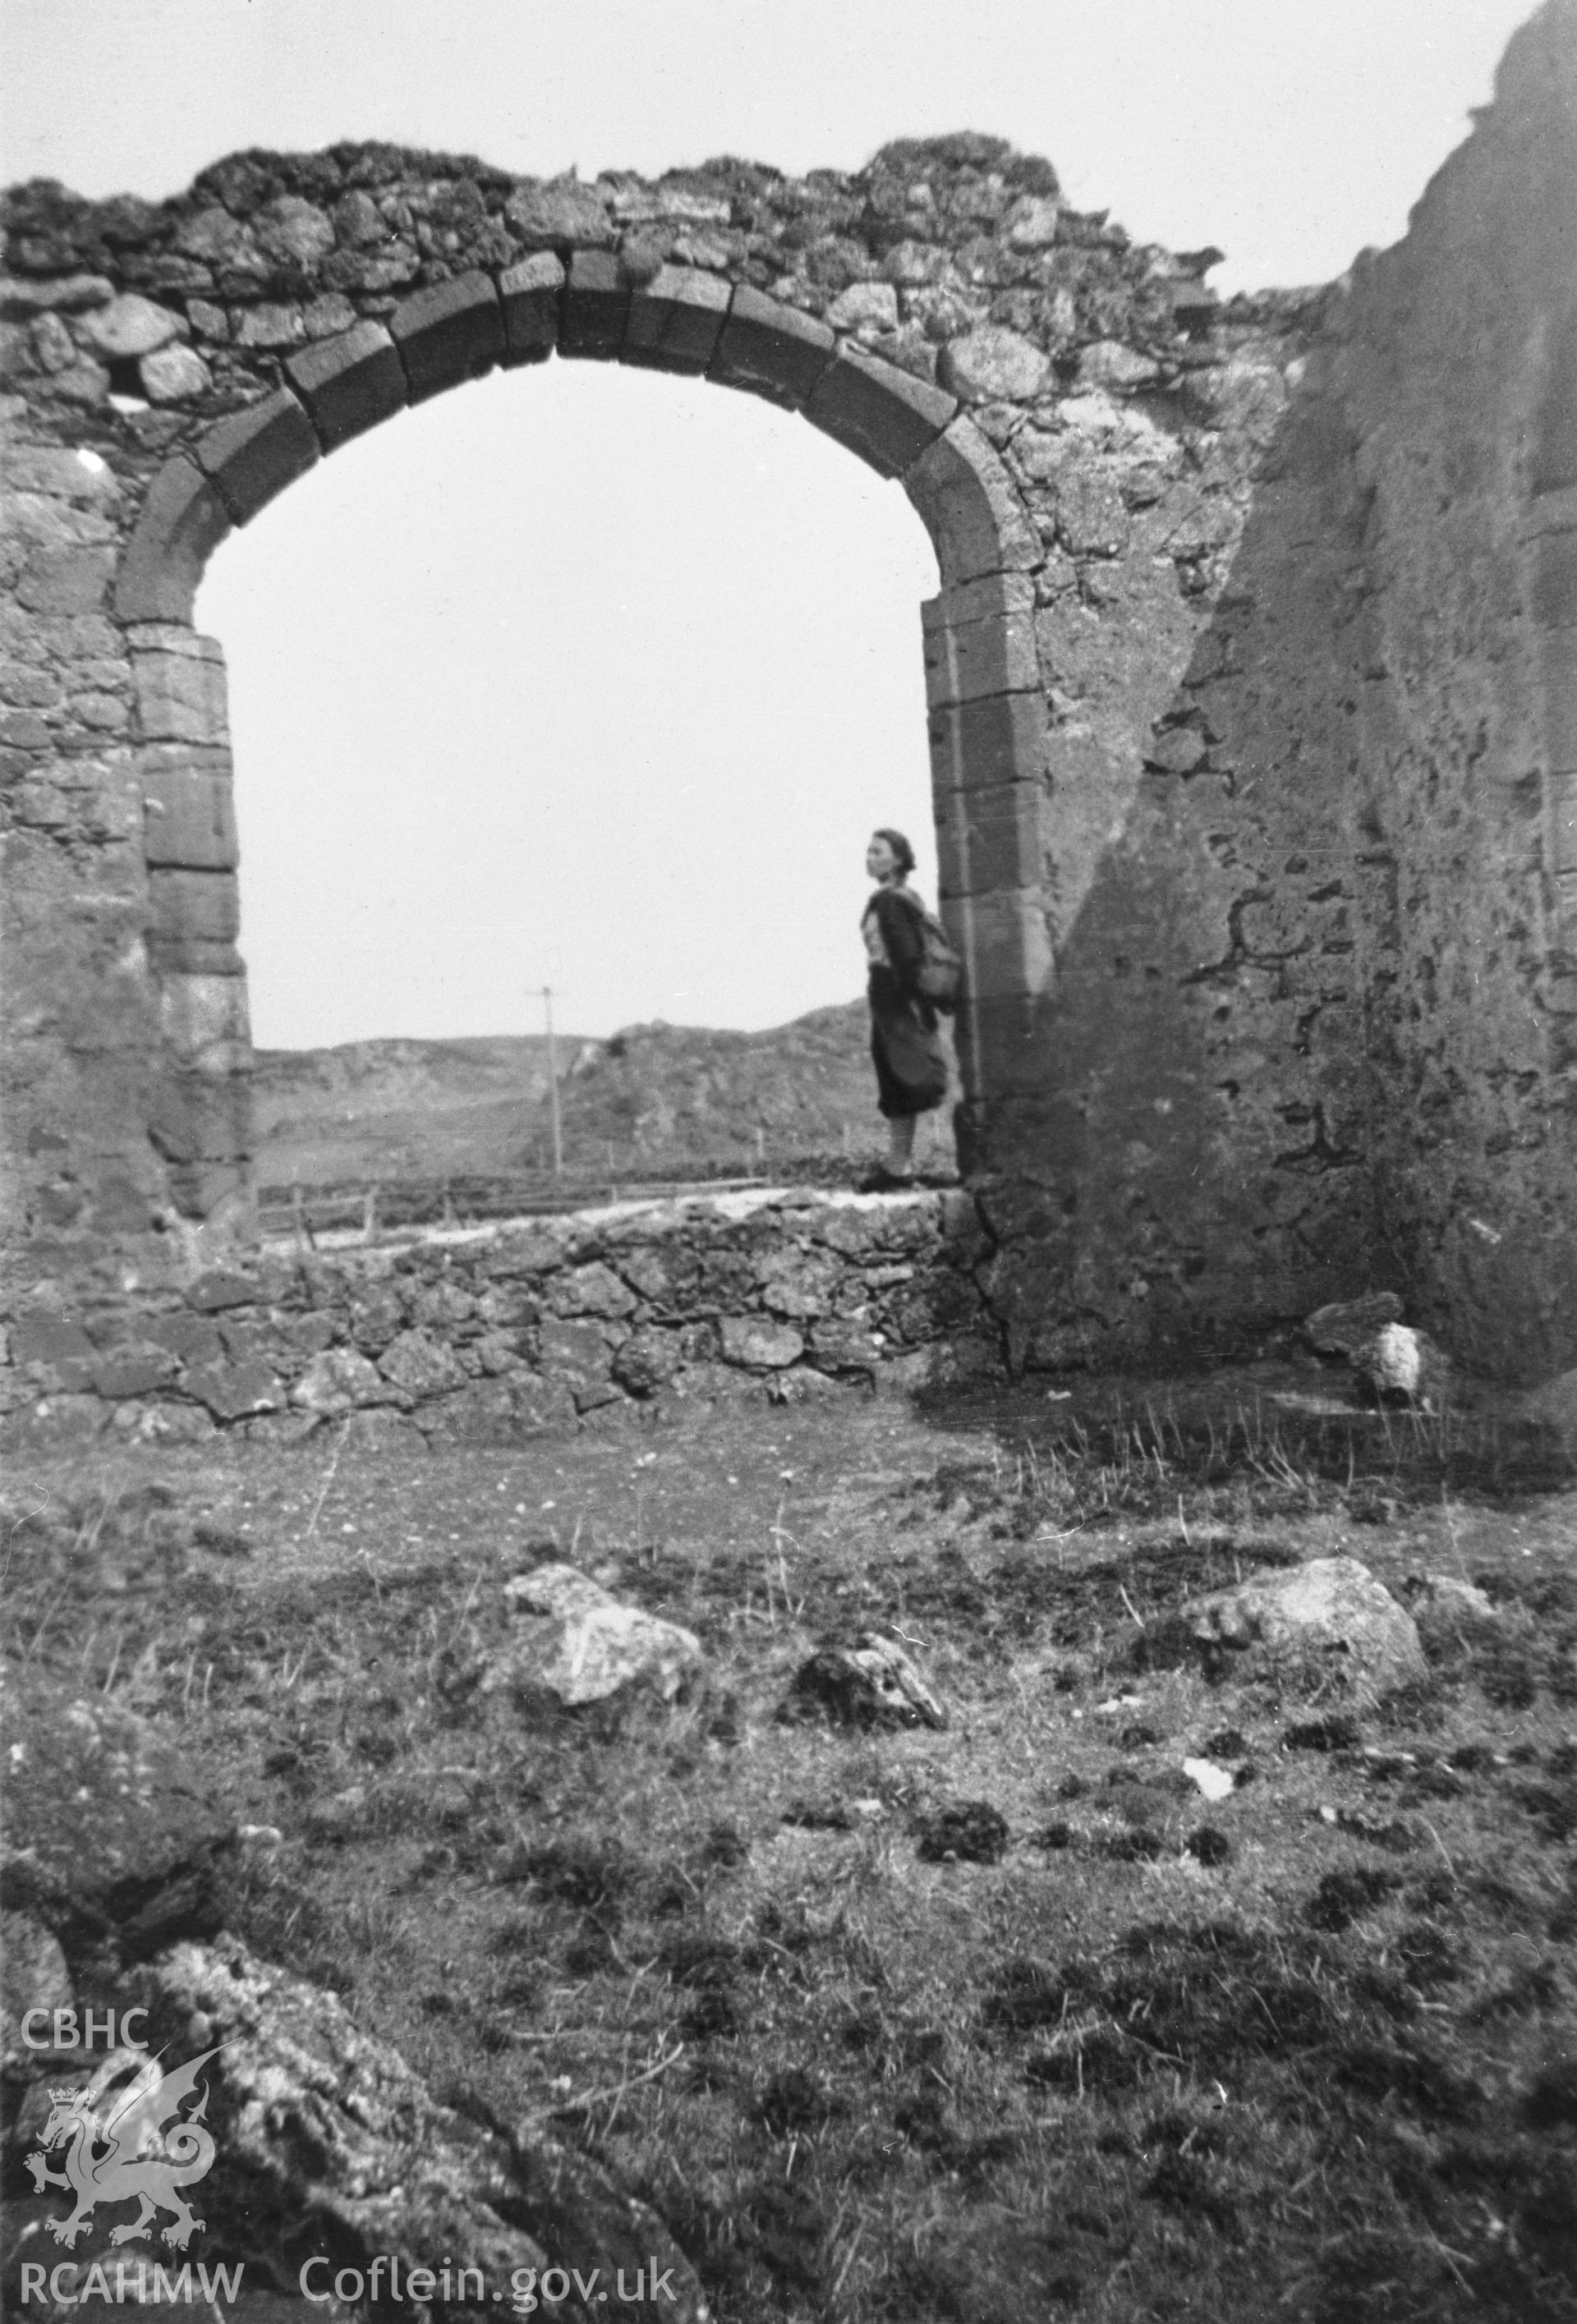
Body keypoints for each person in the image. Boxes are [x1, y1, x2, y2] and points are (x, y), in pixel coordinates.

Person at [859, 827, 949, 1189]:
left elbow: (908, 956)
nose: (869, 857)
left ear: (898, 859)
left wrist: (904, 998)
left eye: (878, 852)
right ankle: (900, 1165)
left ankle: (899, 1168)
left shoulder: (891, 902)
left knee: (898, 1077)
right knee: (900, 1076)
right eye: (868, 851)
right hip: (899, 995)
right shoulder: (905, 898)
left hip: (892, 994)